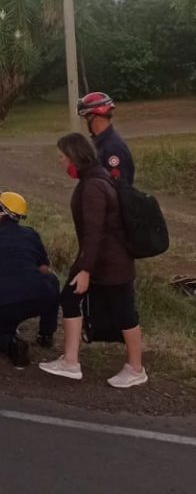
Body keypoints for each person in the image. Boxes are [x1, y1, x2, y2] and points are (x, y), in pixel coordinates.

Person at [39, 132, 148, 388]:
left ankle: (136, 368)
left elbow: (94, 231)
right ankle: (70, 361)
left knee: (125, 313)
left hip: (110, 264)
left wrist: (85, 269)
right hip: (104, 260)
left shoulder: (93, 187)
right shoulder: (97, 177)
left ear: (74, 157)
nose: (60, 161)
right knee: (71, 299)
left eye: (62, 157)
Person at [0, 192, 60, 367]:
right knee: (52, 280)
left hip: (1, 301)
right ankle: (46, 335)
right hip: (36, 297)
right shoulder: (31, 234)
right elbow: (44, 269)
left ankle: (12, 344)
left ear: (0, 211)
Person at [77, 91, 135, 185]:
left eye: (86, 117)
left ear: (93, 117)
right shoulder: (100, 142)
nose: (85, 122)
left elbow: (119, 187)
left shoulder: (113, 148)